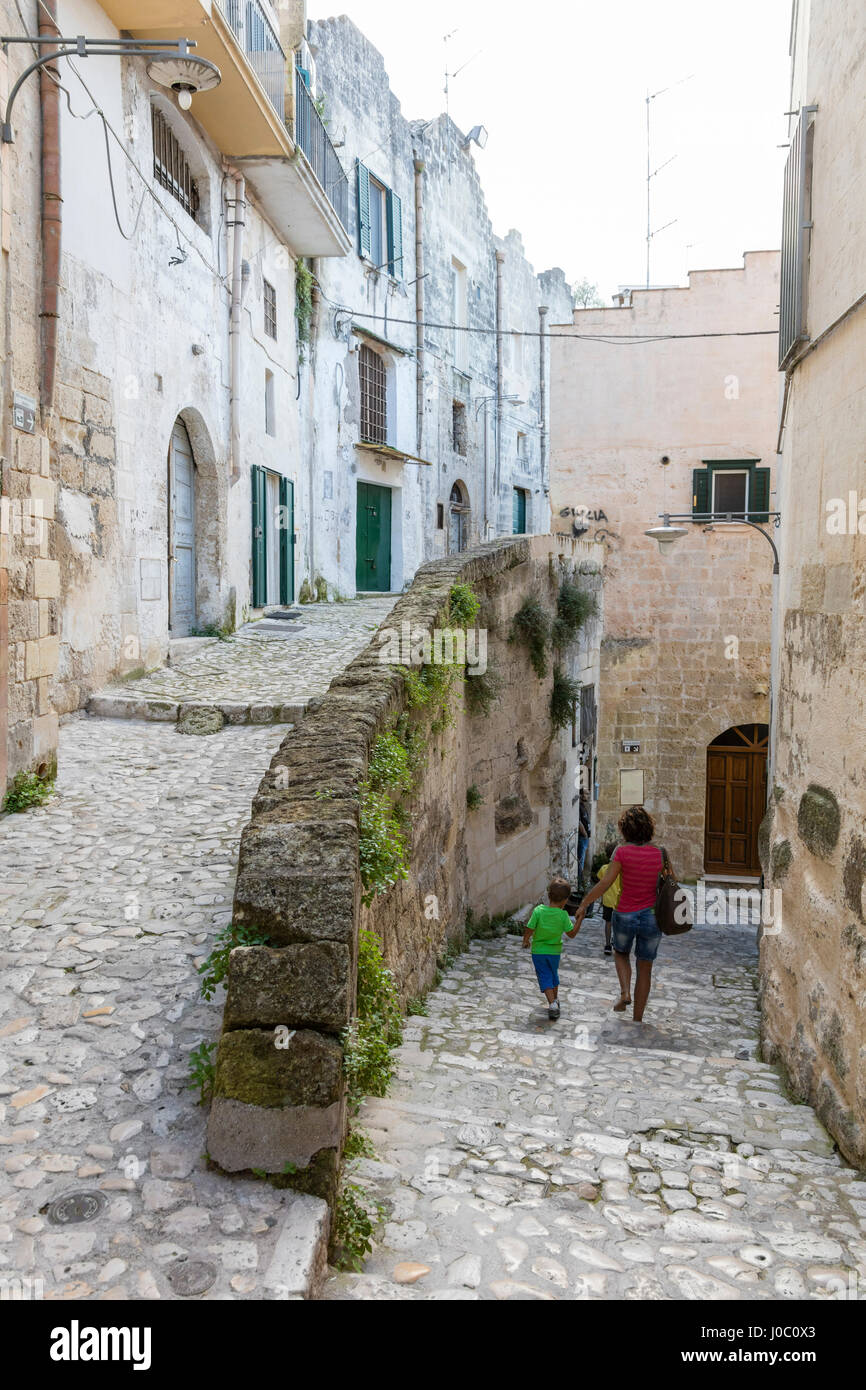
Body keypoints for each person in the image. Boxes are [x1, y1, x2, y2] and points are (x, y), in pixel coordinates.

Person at [572, 805, 670, 1023]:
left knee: (621, 953)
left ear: (625, 830)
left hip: (625, 913)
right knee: (645, 966)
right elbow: (672, 882)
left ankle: (625, 992)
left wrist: (584, 904)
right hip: (652, 917)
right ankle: (637, 1018)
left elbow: (606, 883)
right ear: (649, 828)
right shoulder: (660, 853)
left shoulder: (621, 852)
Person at [522, 877, 581, 1021]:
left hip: (539, 952)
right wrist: (580, 920)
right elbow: (572, 934)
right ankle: (555, 1000)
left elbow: (530, 928)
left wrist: (525, 940)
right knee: (553, 975)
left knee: (545, 976)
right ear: (566, 900)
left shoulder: (539, 911)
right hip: (554, 953)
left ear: (548, 896)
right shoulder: (563, 915)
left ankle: (552, 1003)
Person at [595, 839, 621, 956]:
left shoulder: (604, 869)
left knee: (608, 922)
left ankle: (607, 945)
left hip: (608, 901)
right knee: (618, 923)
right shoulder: (622, 869)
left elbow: (600, 882)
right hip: (620, 901)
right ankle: (615, 941)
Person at [576, 791, 591, 888]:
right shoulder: (579, 807)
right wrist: (585, 833)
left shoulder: (583, 806)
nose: (587, 796)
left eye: (588, 794)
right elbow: (579, 821)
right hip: (582, 838)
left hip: (585, 838)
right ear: (581, 795)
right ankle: (579, 884)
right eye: (585, 793)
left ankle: (581, 882)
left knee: (582, 860)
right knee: (580, 861)